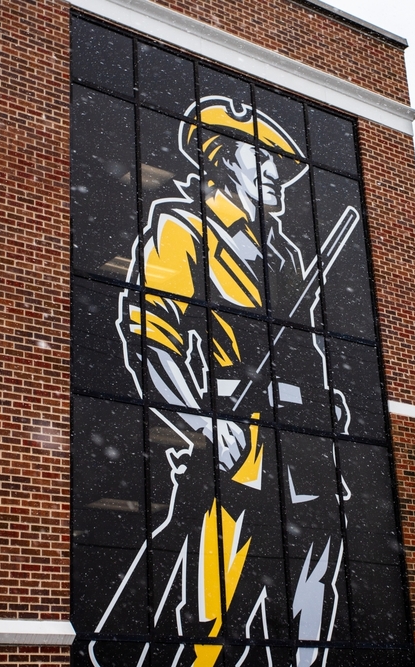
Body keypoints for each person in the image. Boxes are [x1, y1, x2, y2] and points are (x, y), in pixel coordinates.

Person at [100, 96, 357, 667]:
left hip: (306, 455)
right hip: (239, 449)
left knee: (310, 605)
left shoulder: (286, 255)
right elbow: (149, 334)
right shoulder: (184, 225)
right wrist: (201, 422)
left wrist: (322, 402)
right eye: (260, 157)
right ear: (221, 160)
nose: (276, 172)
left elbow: (302, 349)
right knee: (213, 627)